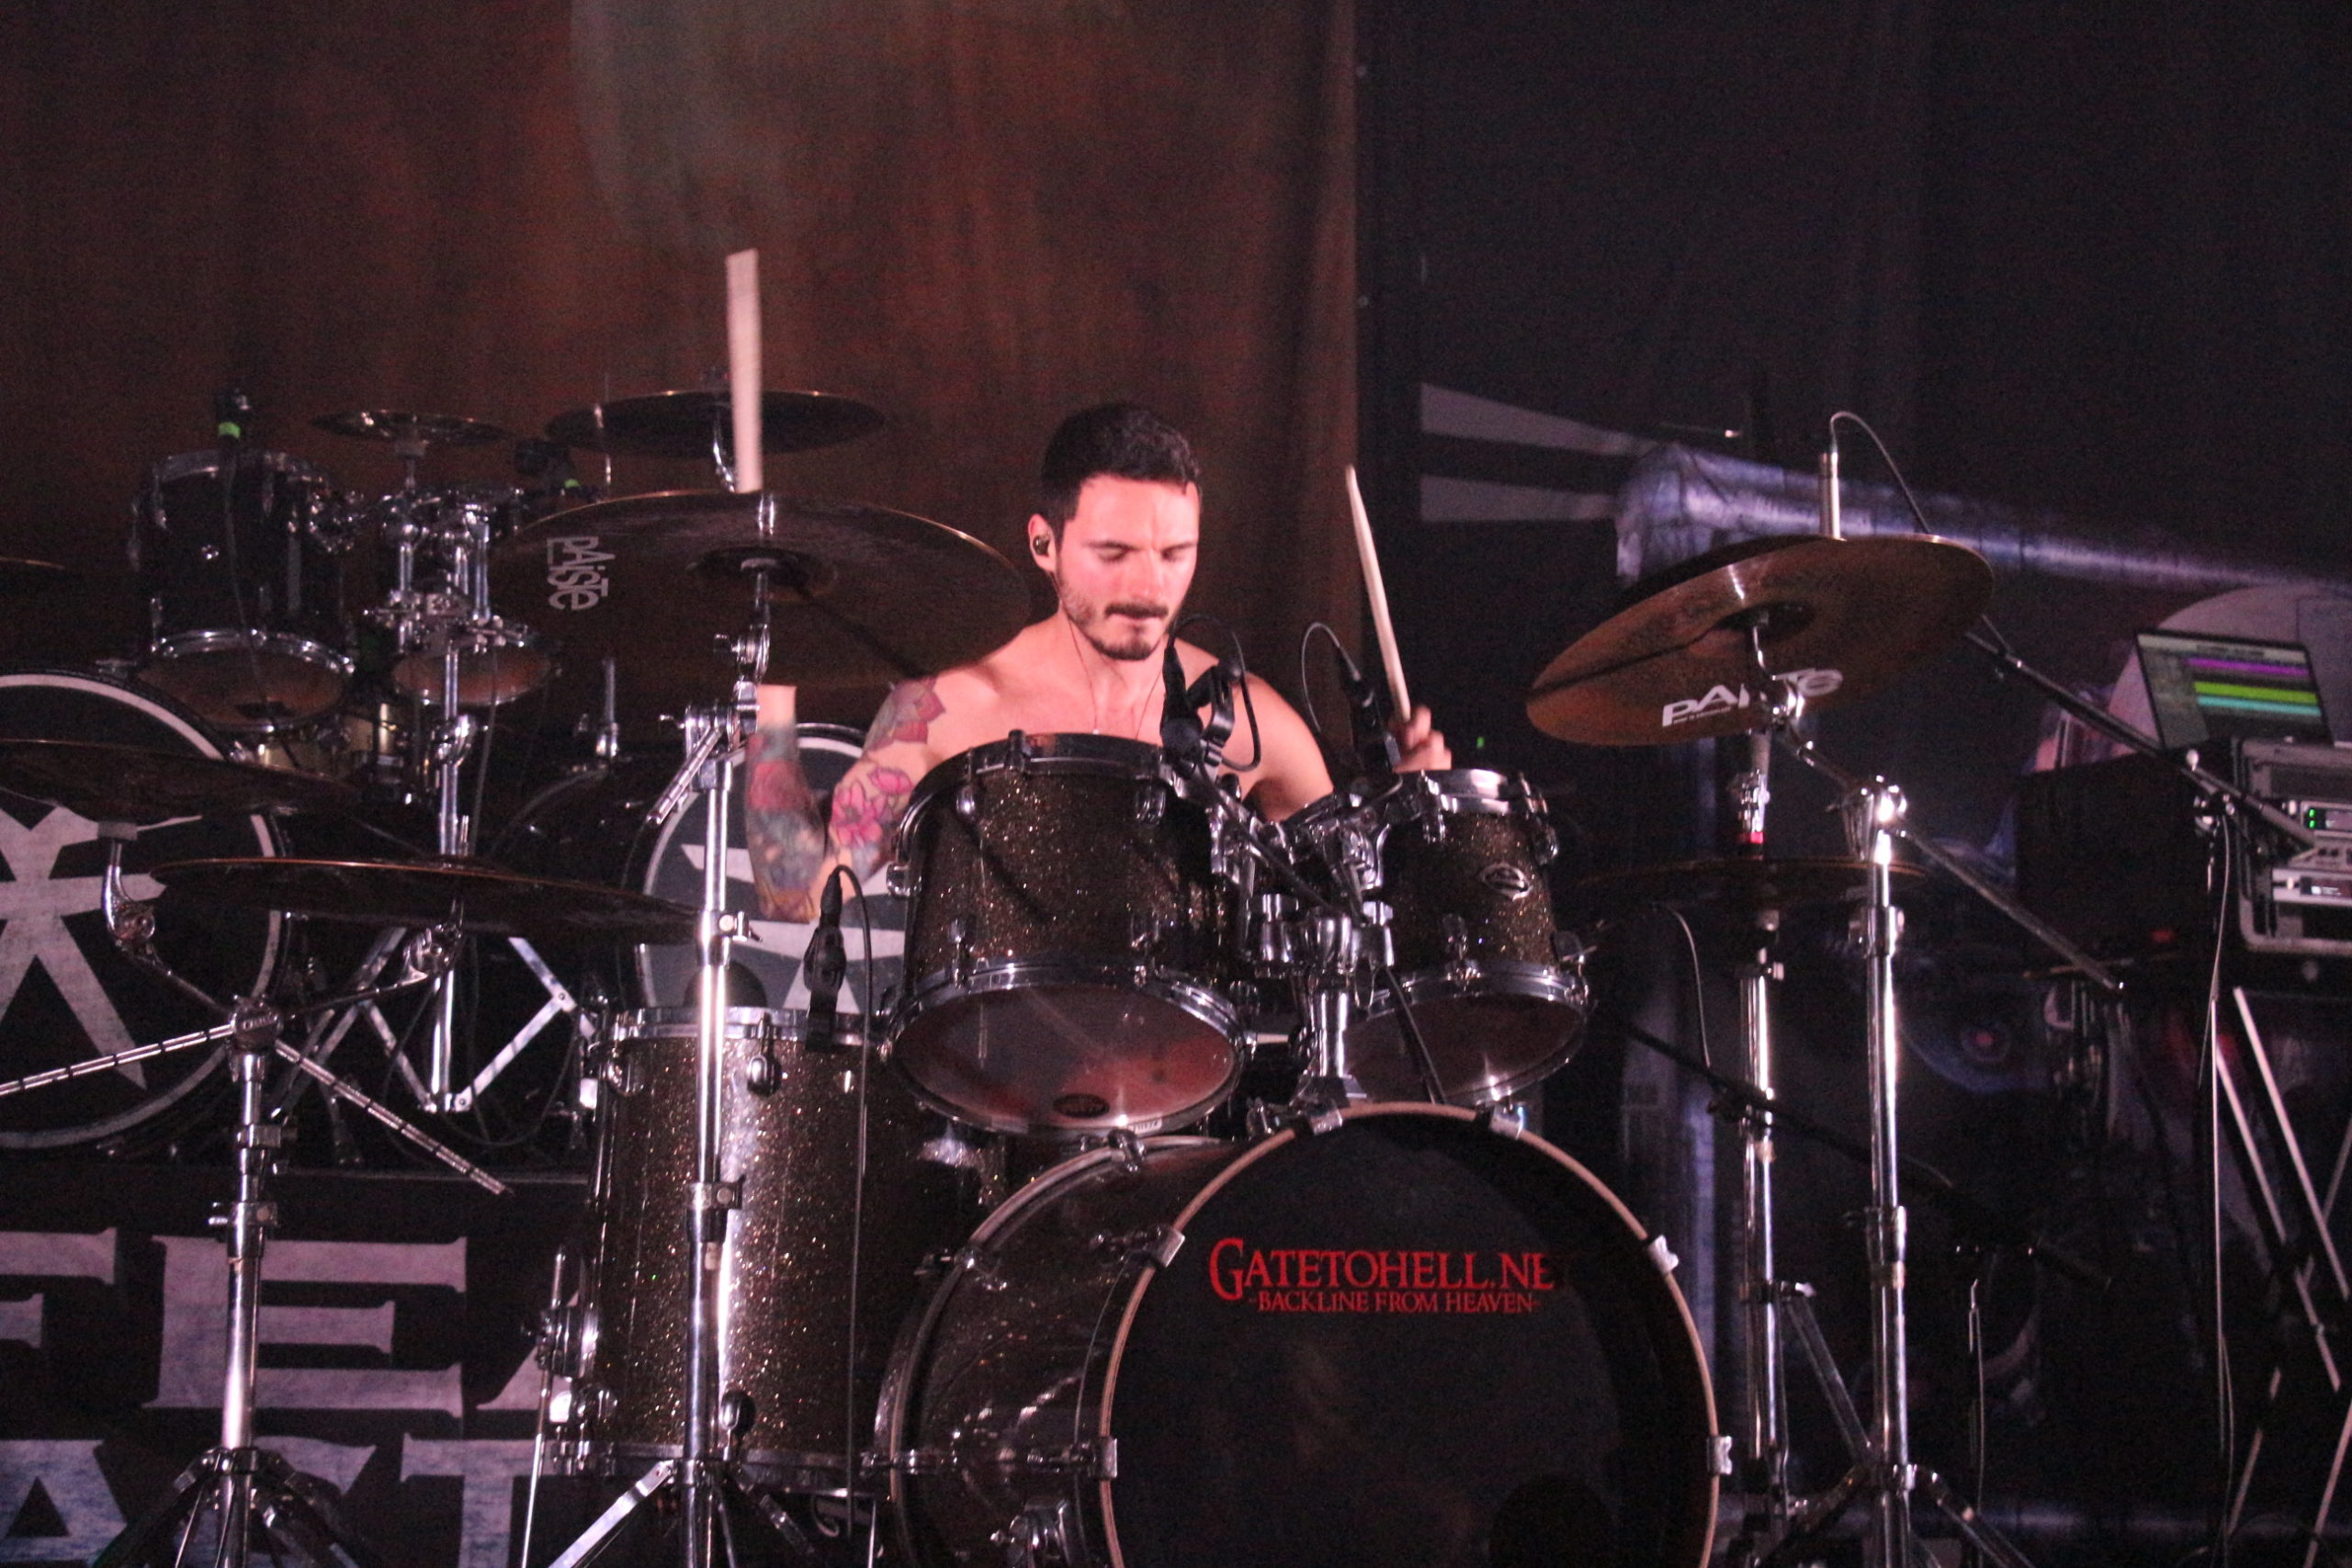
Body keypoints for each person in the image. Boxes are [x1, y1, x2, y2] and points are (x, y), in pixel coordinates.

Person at [746, 402, 1448, 919]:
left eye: (1175, 554)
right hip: (988, 1066)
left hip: (1192, 1075)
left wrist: (1405, 815)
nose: (1149, 587)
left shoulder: (1244, 717)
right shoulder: (955, 702)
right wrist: (774, 692)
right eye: (1113, 554)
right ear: (1044, 545)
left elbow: (1344, 913)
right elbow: (797, 894)